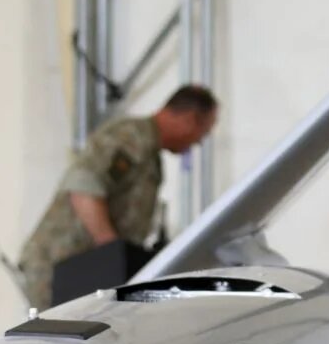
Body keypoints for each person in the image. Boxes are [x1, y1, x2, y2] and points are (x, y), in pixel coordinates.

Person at [18, 85, 220, 309]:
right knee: (63, 339)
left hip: (86, 273)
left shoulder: (150, 155)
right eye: (203, 132)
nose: (198, 142)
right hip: (62, 268)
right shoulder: (130, 138)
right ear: (190, 119)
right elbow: (83, 188)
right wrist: (112, 254)